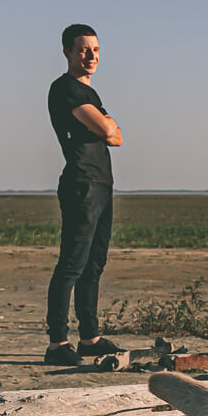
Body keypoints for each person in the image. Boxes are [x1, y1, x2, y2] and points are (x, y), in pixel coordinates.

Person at [43, 24, 126, 365]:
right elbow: (109, 129)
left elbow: (118, 138)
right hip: (81, 184)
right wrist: (106, 125)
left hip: (102, 184)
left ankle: (90, 338)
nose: (91, 56)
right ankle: (57, 344)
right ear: (67, 52)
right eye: (83, 49)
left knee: (94, 265)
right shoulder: (65, 89)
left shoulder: (90, 94)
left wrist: (108, 128)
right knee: (72, 264)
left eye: (96, 49)